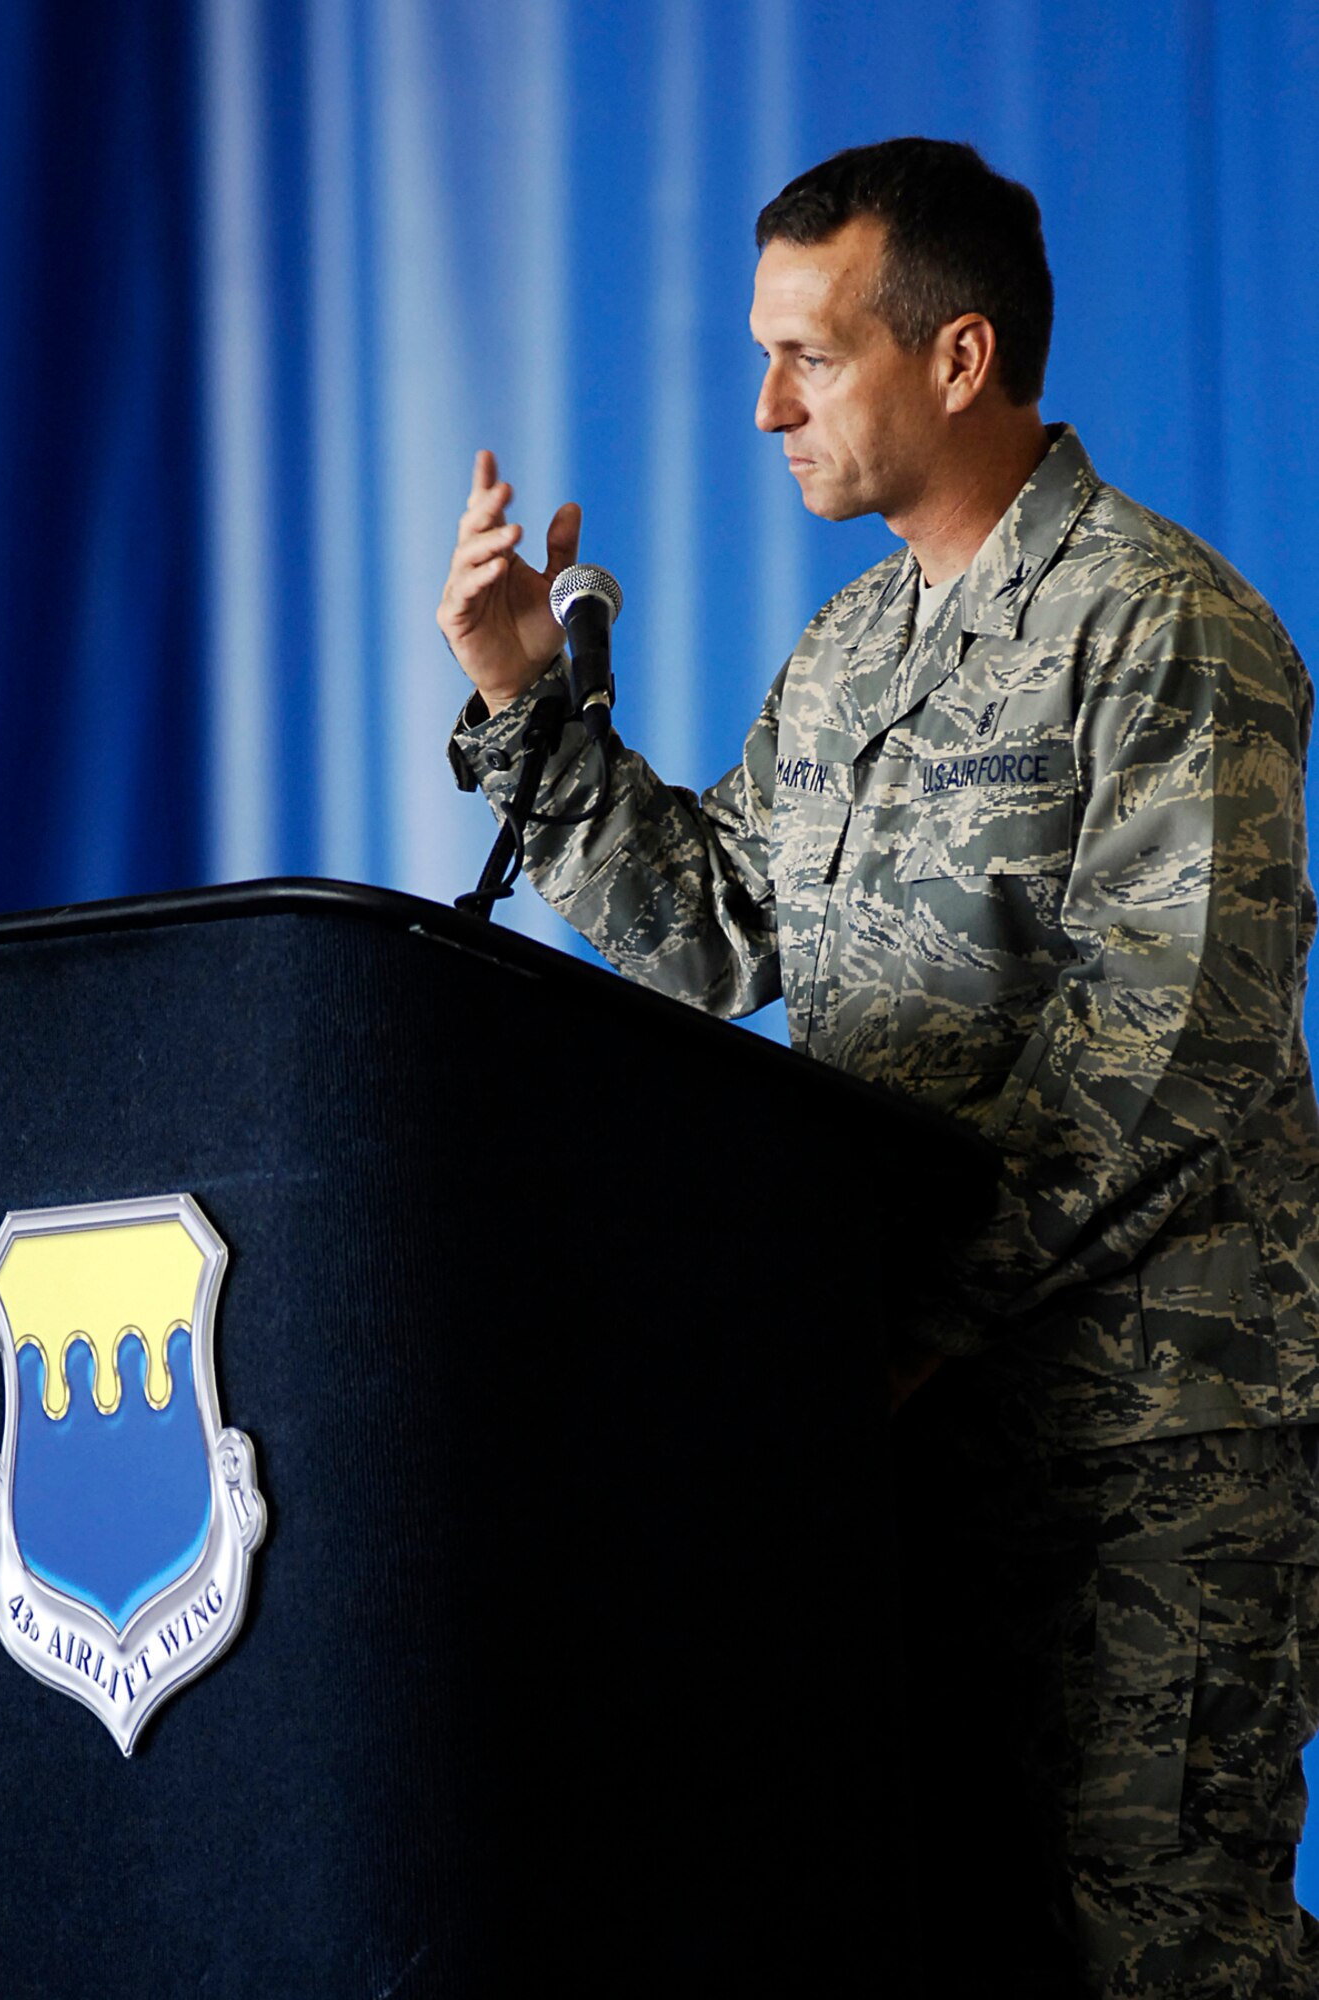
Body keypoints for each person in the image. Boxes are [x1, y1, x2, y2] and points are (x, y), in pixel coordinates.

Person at [439, 139, 1319, 1997]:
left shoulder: (1163, 626)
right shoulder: (850, 653)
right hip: (898, 1433)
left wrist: (896, 1317)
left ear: (956, 355)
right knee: (932, 1936)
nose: (762, 407)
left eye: (807, 357)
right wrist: (528, 706)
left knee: (1151, 1950)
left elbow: (1169, 1051)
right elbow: (713, 932)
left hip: (1138, 1444)